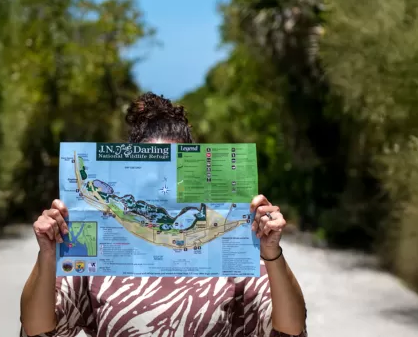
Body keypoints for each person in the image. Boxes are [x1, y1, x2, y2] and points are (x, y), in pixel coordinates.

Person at [19, 92, 307, 337]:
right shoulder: (101, 254)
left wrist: (271, 252)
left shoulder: (229, 249)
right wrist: (47, 253)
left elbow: (291, 331)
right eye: (148, 171)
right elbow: (37, 330)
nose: (161, 185)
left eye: (170, 171)